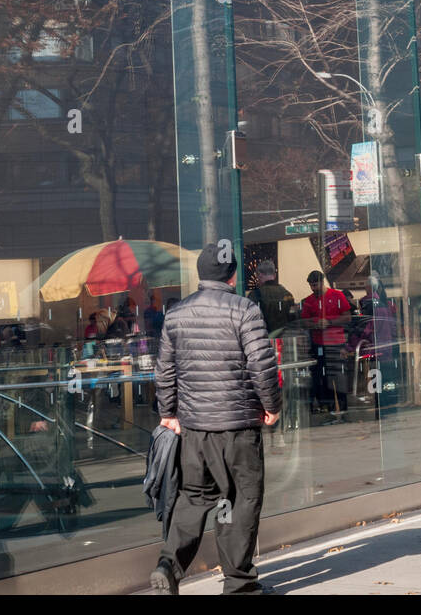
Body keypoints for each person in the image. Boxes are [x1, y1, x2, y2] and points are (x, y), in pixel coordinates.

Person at [149, 243, 281, 595]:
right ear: (233, 275)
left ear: (201, 274)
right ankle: (238, 584)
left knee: (194, 497)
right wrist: (272, 406)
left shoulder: (176, 314)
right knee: (240, 499)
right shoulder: (245, 310)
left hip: (195, 429)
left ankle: (169, 565)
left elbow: (164, 371)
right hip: (238, 429)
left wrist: (168, 413)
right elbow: (262, 364)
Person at [301, 270, 352, 420]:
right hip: (319, 344)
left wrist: (329, 322)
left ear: (322, 282)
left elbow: (347, 317)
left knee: (339, 377)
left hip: (336, 342)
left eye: (315, 285)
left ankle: (343, 410)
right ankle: (330, 410)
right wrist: (316, 324)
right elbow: (304, 322)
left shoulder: (337, 296)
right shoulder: (309, 301)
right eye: (311, 286)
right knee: (323, 377)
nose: (313, 288)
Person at [248, 259, 297, 336]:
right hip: (285, 339)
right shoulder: (287, 294)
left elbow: (251, 322)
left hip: (264, 339)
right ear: (274, 275)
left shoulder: (254, 295)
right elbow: (293, 319)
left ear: (259, 275)